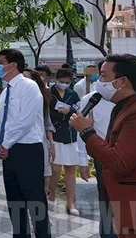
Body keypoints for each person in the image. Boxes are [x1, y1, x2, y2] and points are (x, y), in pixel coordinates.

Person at [70, 54, 136, 238]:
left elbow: (119, 162)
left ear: (122, 82)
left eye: (103, 76)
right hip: (134, 210)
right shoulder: (124, 108)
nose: (99, 82)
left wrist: (87, 132)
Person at [0, 49, 51, 238]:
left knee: (35, 200)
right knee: (15, 201)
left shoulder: (29, 86)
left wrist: (6, 143)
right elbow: (0, 121)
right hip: (9, 151)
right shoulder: (5, 92)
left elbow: (24, 122)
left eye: (1, 62)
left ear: (13, 65)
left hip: (28, 150)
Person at [76, 60, 117, 238]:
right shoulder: (90, 100)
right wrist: (82, 161)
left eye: (104, 75)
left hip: (126, 156)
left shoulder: (132, 100)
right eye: (100, 75)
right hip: (102, 156)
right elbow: (80, 131)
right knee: (106, 202)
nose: (100, 80)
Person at [48, 68, 88, 215]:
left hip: (70, 135)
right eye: (61, 81)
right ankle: (51, 196)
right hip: (54, 134)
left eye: (67, 82)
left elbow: (78, 109)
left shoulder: (73, 94)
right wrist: (60, 114)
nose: (63, 84)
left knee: (70, 169)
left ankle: (70, 202)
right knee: (55, 169)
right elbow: (47, 113)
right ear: (56, 79)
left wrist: (69, 110)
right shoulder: (49, 93)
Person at [23, 69, 55, 197]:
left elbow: (47, 122)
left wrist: (51, 143)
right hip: (20, 142)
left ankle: (43, 204)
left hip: (39, 140)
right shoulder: (13, 98)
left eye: (26, 78)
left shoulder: (41, 98)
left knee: (45, 173)